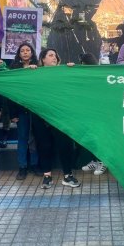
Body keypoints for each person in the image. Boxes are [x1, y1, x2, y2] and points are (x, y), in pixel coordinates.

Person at [32, 48, 81, 189]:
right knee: (44, 146)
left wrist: (72, 70)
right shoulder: (34, 73)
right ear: (42, 60)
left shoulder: (63, 72)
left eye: (56, 56)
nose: (54, 58)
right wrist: (29, 71)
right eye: (51, 55)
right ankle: (47, 176)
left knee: (65, 145)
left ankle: (68, 176)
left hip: (60, 115)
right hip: (40, 115)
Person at [9, 43, 40, 180]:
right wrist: (12, 114)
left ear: (32, 53)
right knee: (22, 139)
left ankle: (34, 165)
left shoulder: (38, 68)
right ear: (19, 54)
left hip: (36, 110)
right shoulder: (14, 69)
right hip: (21, 111)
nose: (25, 52)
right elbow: (10, 93)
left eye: (28, 50)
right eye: (22, 50)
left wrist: (35, 71)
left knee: (35, 139)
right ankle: (22, 167)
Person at [78, 52, 108, 176]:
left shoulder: (98, 73)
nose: (80, 65)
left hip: (97, 111)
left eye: (82, 63)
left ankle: (103, 162)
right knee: (90, 137)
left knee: (98, 136)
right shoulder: (83, 74)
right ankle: (95, 161)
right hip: (86, 110)